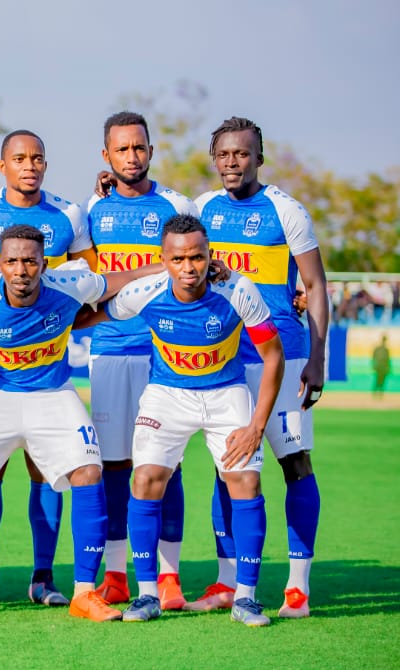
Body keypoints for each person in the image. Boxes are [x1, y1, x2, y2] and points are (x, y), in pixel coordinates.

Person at [0, 224, 162, 621]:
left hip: (53, 394)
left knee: (88, 470)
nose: (21, 270)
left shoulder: (71, 284)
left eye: (30, 261)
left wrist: (171, 266)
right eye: (12, 261)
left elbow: (126, 277)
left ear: (45, 264)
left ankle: (84, 593)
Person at [88, 215, 284, 627]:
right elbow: (96, 315)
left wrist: (256, 426)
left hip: (226, 394)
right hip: (167, 396)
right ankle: (146, 595)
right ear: (164, 259)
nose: (189, 268)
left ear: (210, 255)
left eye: (197, 257)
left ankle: (245, 598)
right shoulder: (145, 291)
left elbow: (273, 356)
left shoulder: (238, 290)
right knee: (144, 480)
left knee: (246, 481)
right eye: (178, 259)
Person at [193, 117, 328, 618]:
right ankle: (227, 582)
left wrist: (316, 359)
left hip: (283, 356)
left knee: (295, 464)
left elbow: (314, 286)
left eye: (242, 154)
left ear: (259, 157)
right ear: (215, 159)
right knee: (226, 468)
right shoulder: (202, 208)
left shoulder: (287, 211)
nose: (233, 162)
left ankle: (297, 587)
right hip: (225, 361)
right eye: (224, 154)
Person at [0, 130, 95, 606]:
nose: (30, 165)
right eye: (19, 158)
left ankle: (44, 577)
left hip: (48, 367)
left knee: (46, 470)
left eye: (38, 157)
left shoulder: (68, 215)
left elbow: (89, 280)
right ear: (3, 166)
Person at [86, 112, 200, 609]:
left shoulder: (177, 205)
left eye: (140, 148)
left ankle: (168, 576)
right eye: (122, 149)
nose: (132, 157)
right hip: (109, 353)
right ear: (106, 156)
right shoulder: (94, 207)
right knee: (113, 466)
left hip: (164, 356)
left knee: (164, 466)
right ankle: (115, 573)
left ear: (151, 150)